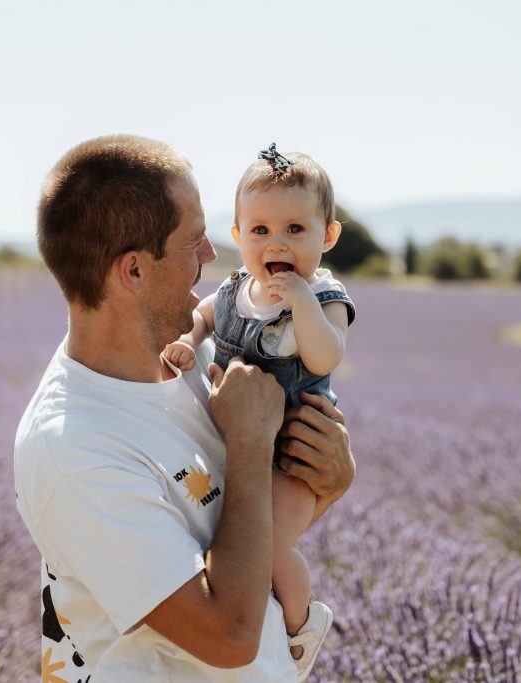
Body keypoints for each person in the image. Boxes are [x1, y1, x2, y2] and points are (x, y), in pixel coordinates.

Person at [13, 134, 355, 683]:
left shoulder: (198, 358)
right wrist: (250, 442)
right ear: (133, 271)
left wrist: (329, 480)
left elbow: (248, 539)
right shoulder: (73, 448)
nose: (212, 255)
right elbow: (227, 636)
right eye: (193, 241)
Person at [163, 144, 353, 668]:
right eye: (261, 230)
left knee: (264, 550)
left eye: (296, 229)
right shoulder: (234, 291)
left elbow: (325, 354)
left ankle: (298, 626)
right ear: (239, 236)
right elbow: (202, 316)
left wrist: (302, 301)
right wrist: (188, 339)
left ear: (327, 236)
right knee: (231, 544)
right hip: (240, 450)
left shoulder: (325, 297)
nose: (277, 243)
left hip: (293, 456)